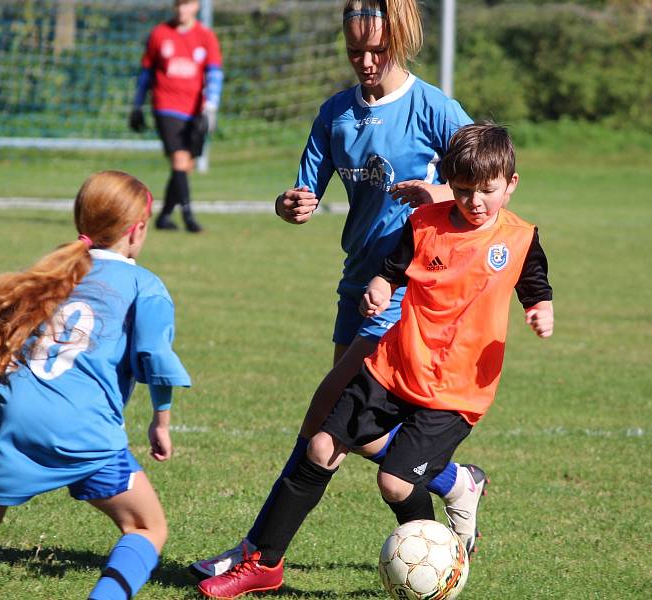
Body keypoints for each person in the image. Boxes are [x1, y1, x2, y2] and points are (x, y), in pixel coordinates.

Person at [190, 0, 483, 581]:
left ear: (398, 42)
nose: (366, 61)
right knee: (357, 431)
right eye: (356, 52)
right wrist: (290, 204)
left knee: (325, 418)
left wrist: (440, 199)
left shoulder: (434, 108)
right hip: (356, 285)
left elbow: (487, 193)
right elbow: (304, 190)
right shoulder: (336, 114)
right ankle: (452, 492)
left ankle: (257, 556)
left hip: (405, 292)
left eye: (377, 51)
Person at [198, 122, 554, 598]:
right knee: (321, 447)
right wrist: (379, 288)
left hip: (455, 390)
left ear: (510, 184)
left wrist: (539, 311)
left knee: (394, 481)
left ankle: (439, 567)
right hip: (393, 367)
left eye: (486, 191)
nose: (474, 202)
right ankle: (265, 564)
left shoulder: (521, 238)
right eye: (464, 191)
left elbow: (536, 288)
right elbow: (390, 271)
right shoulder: (424, 224)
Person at [0, 171, 191, 600]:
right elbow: (154, 357)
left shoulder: (47, 275)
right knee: (147, 527)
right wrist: (161, 422)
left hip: (9, 420)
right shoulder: (143, 285)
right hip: (81, 429)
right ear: (137, 230)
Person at [129, 0, 223, 233]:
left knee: (185, 166)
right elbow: (146, 74)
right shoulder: (160, 34)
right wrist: (137, 105)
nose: (182, 10)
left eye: (187, 4)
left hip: (194, 111)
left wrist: (210, 107)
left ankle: (164, 216)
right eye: (178, 4)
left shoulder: (205, 36)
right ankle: (189, 216)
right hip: (165, 106)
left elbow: (214, 74)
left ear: (196, 7)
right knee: (180, 160)